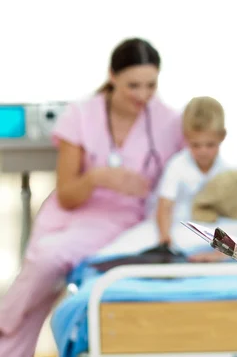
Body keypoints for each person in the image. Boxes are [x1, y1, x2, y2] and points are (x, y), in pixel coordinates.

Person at [0, 37, 183, 356]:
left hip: (118, 222)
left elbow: (191, 174)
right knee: (41, 279)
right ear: (112, 77)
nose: (142, 95)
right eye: (133, 85)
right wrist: (100, 177)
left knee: (47, 259)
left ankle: (4, 319)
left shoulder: (169, 121)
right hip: (66, 214)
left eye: (150, 86)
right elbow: (68, 195)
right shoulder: (82, 114)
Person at [156, 96, 229, 247]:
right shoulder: (177, 166)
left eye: (210, 145)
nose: (203, 151)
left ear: (222, 136)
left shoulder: (225, 170)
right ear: (186, 138)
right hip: (179, 226)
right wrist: (164, 237)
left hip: (208, 228)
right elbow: (164, 206)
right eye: (195, 145)